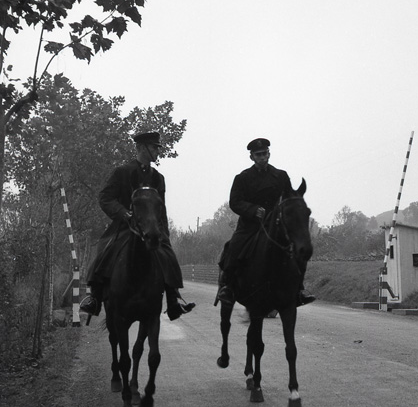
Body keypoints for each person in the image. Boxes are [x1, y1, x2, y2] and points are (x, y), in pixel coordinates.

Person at [79, 131, 195, 321]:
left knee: (169, 257)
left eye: (158, 148)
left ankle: (173, 299)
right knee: (103, 251)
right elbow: (105, 198)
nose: (157, 151)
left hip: (152, 229)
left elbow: (161, 209)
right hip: (125, 227)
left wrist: (164, 235)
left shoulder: (158, 178)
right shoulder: (122, 172)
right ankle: (95, 298)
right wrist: (123, 212)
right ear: (141, 148)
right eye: (154, 148)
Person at [216, 137, 315, 306]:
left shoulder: (281, 176)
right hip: (250, 225)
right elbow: (235, 202)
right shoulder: (242, 178)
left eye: (264, 154)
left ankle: (299, 289)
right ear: (252, 157)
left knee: (298, 249)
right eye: (258, 155)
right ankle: (228, 287)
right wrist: (253, 210)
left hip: (276, 224)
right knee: (233, 247)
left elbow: (288, 198)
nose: (262, 157)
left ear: (269, 154)